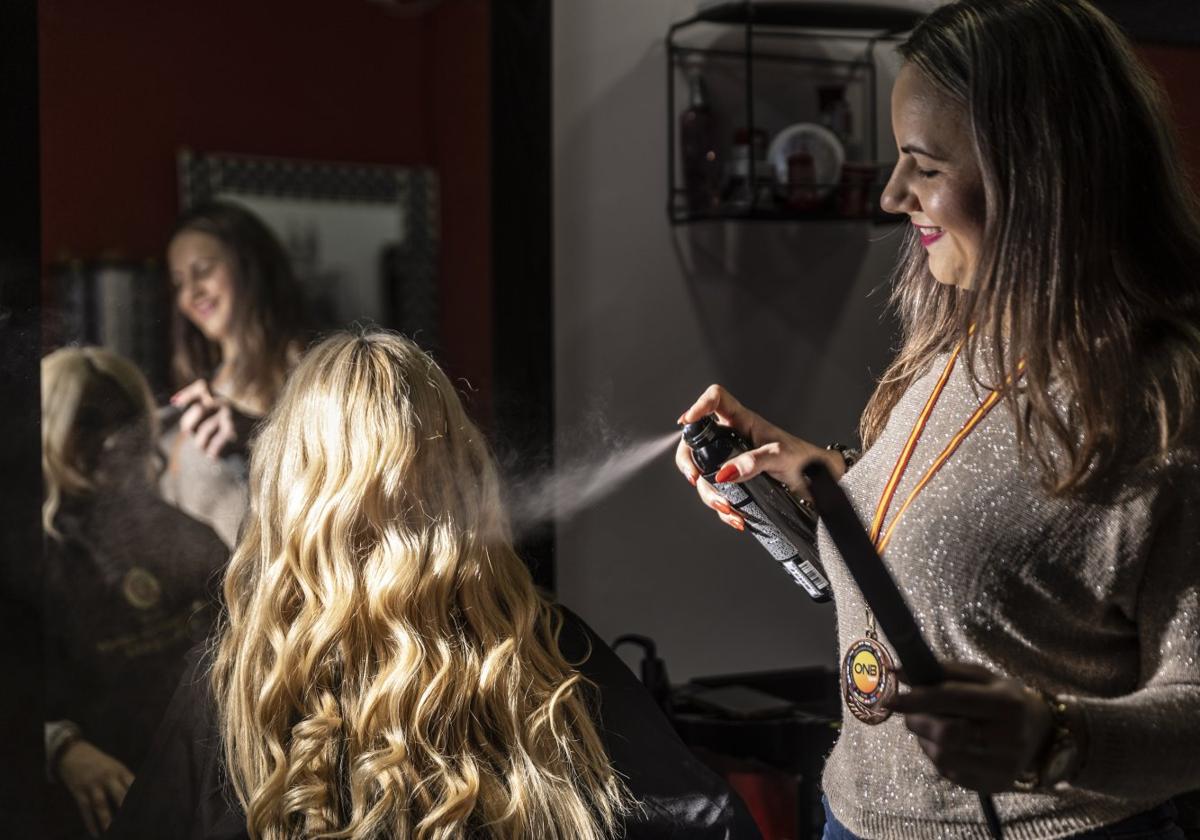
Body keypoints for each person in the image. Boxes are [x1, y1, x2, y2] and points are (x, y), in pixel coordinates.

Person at [676, 1, 1200, 838]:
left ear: (1037, 170)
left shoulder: (1168, 401)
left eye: (922, 164)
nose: (891, 195)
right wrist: (819, 479)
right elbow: (989, 540)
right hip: (850, 816)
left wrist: (1053, 739)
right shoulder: (952, 343)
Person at [108, 331, 761, 840]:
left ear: (291, 483)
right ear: (454, 468)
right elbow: (710, 822)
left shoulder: (242, 677)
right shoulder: (539, 646)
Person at [41, 347, 229, 838]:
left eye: (124, 419)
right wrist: (61, 747)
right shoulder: (30, 560)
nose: (109, 441)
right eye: (87, 423)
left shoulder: (188, 538)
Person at [161, 200, 308, 547]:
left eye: (203, 270)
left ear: (249, 267)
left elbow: (341, 483)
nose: (190, 294)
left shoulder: (307, 370)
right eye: (179, 282)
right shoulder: (205, 384)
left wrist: (253, 434)